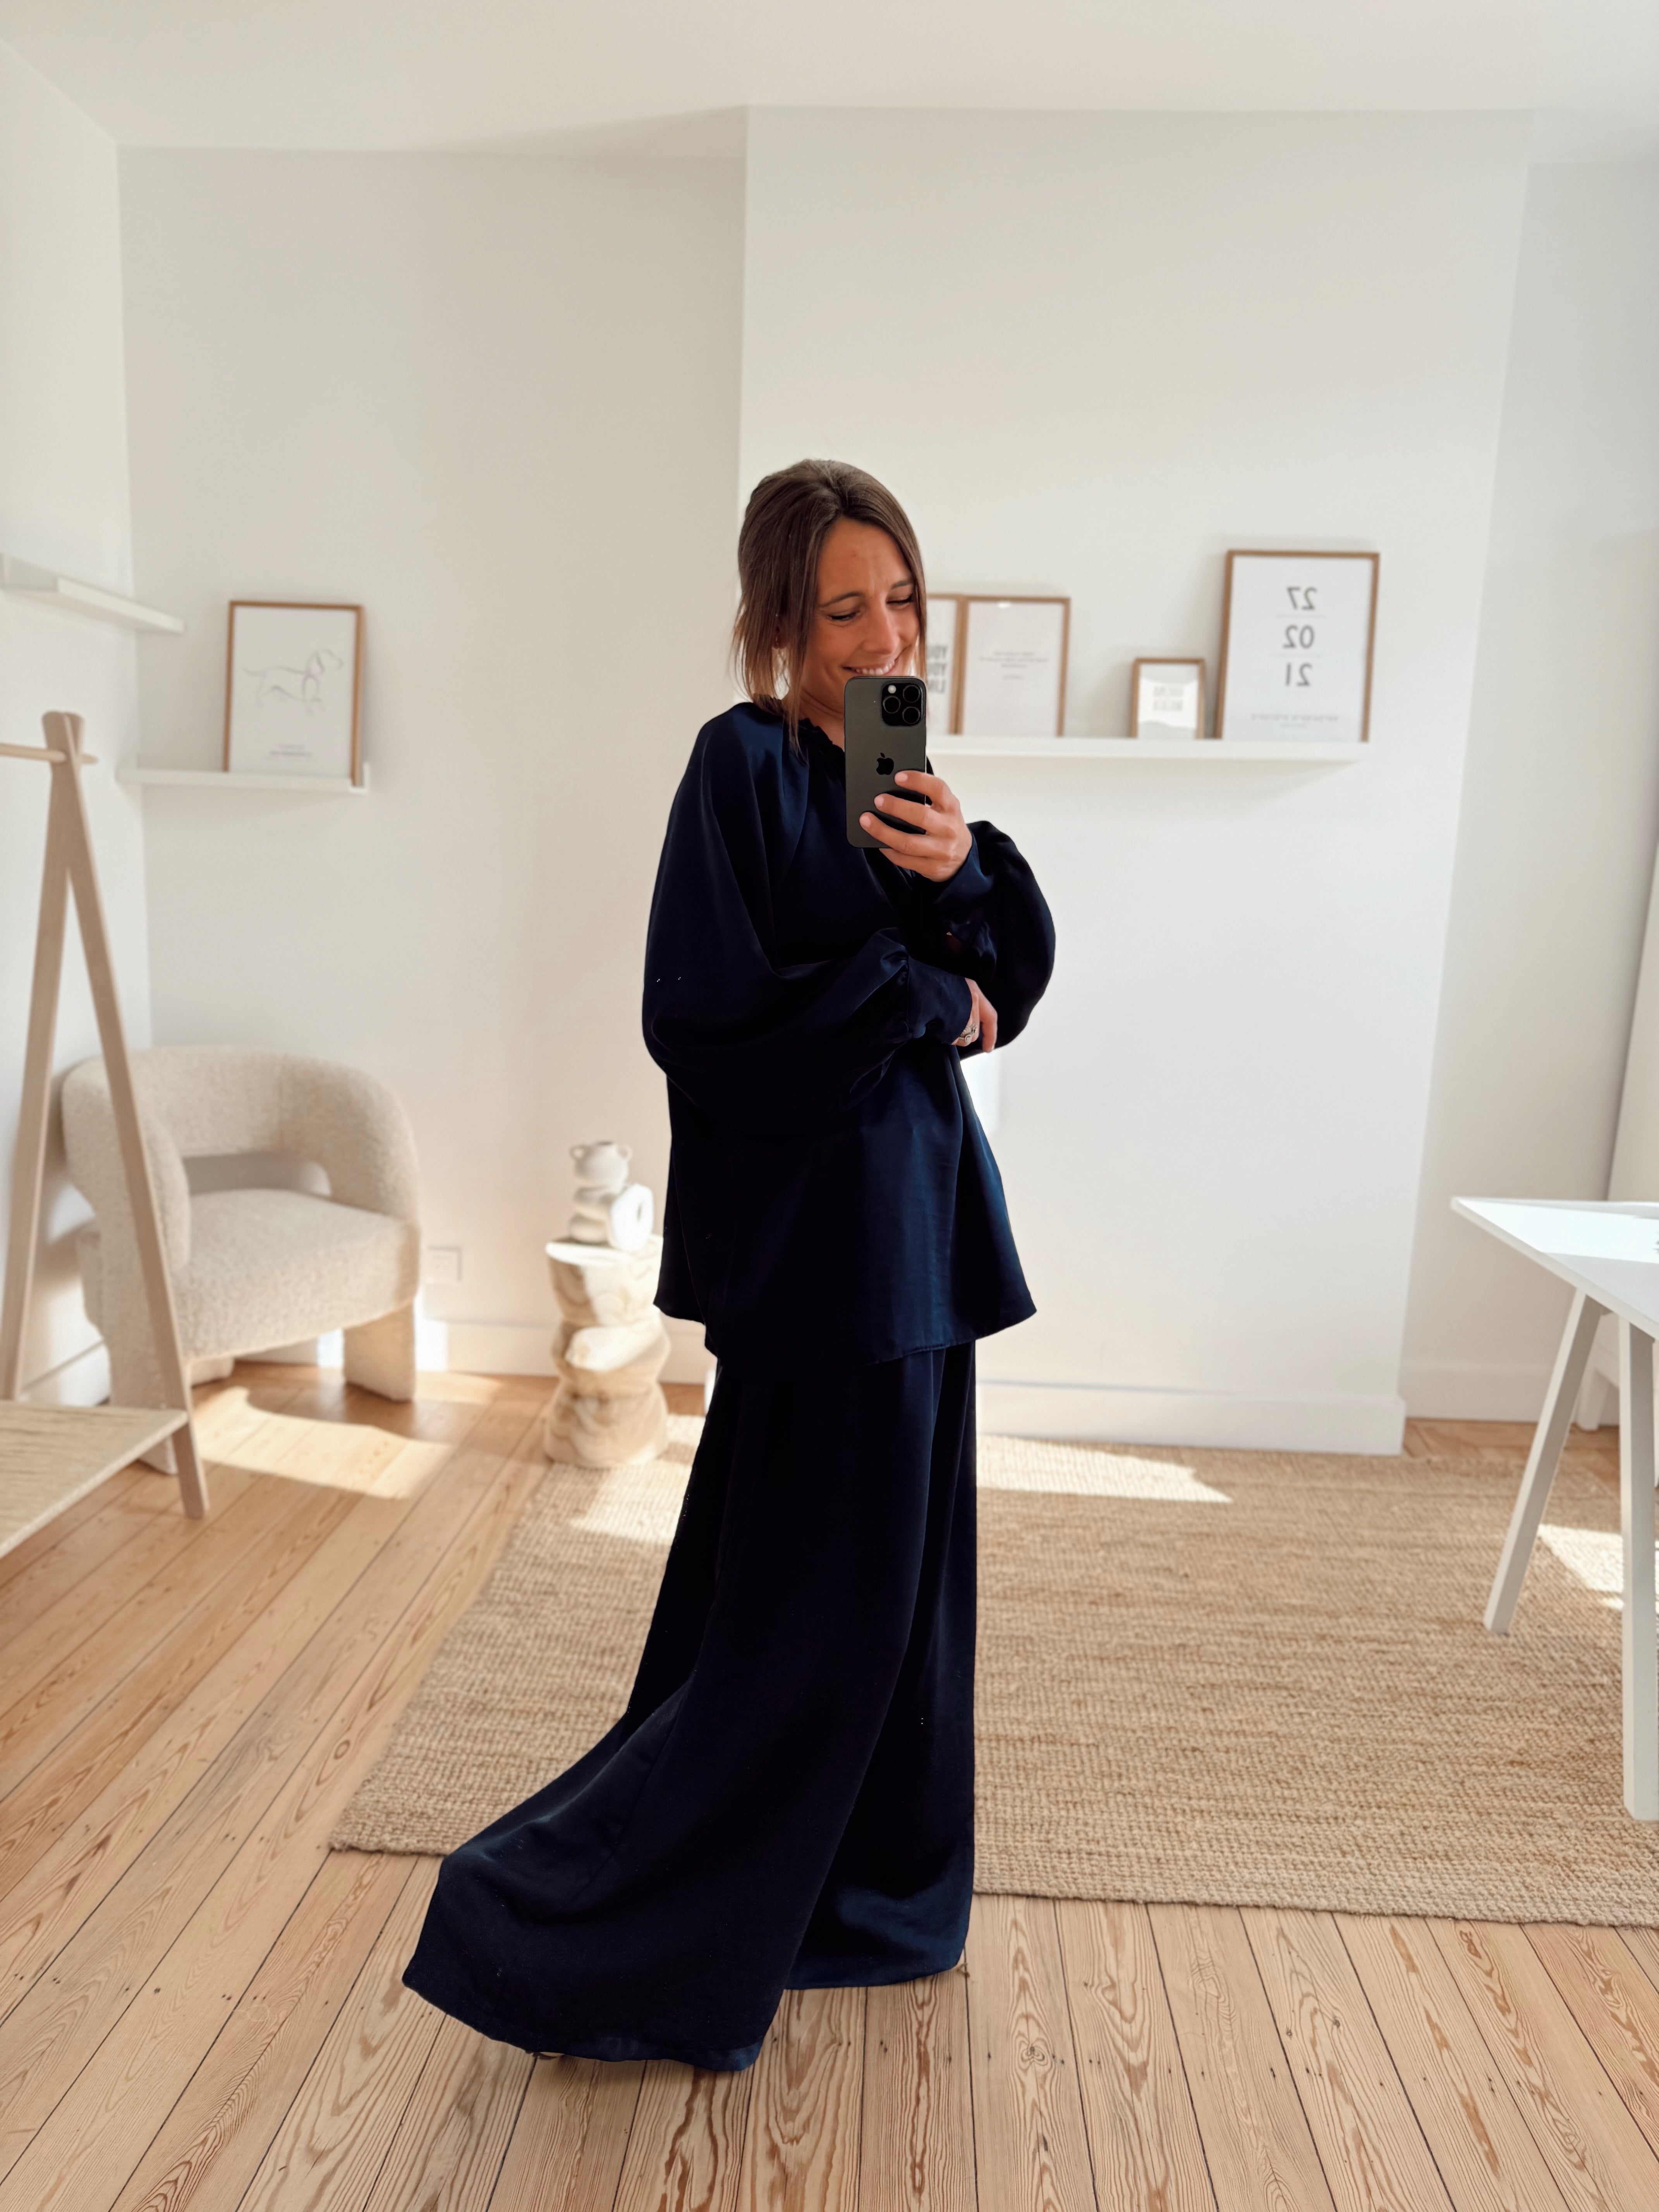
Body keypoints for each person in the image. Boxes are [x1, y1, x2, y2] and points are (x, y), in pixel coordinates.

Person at [402, 459, 1055, 2072]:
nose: (884, 636)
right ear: (779, 621)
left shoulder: (899, 771)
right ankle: (569, 1929)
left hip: (922, 1234)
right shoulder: (744, 764)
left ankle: (868, 1900)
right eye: (844, 610)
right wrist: (920, 995)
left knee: (895, 1609)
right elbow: (704, 1016)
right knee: (802, 1618)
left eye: (900, 598)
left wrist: (963, 877)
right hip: (823, 1250)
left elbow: (1007, 983)